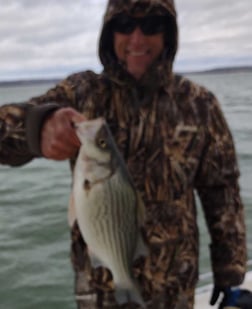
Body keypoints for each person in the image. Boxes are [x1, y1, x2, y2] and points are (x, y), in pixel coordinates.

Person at [0, 0, 247, 308]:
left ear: (169, 33)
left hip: (176, 289)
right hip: (100, 290)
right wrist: (36, 126)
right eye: (125, 24)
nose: (137, 39)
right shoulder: (83, 92)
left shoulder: (199, 104)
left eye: (153, 25)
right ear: (109, 32)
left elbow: (221, 193)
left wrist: (231, 272)